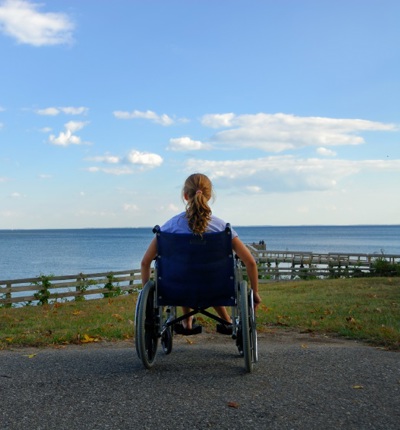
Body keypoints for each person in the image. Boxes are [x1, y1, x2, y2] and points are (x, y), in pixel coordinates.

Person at [140, 173, 261, 335]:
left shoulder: (169, 228)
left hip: (177, 288)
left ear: (185, 196)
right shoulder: (222, 228)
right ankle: (226, 321)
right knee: (207, 277)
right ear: (209, 196)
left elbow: (145, 263)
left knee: (185, 272)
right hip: (215, 287)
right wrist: (255, 293)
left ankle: (187, 321)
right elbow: (250, 262)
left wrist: (147, 300)